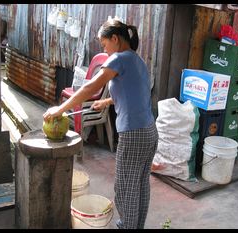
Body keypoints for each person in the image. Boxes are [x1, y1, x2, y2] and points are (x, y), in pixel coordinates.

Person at [43, 18, 158, 229]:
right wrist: (106, 100)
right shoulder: (135, 59)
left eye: (104, 44)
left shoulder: (118, 59)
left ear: (115, 38)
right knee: (140, 184)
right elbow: (134, 91)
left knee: (125, 188)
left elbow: (89, 88)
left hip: (133, 135)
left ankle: (127, 226)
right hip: (149, 131)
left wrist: (59, 109)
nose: (104, 49)